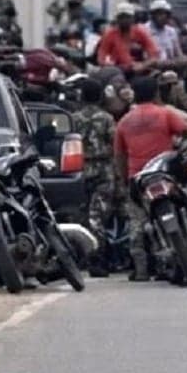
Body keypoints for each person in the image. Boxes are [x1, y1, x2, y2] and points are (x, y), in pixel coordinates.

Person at [115, 76, 187, 280]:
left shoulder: (124, 122)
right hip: (166, 173)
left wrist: (126, 180)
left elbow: (120, 156)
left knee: (138, 223)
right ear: (156, 94)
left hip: (139, 179)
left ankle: (141, 270)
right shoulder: (164, 114)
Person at [72, 78, 117, 277]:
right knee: (98, 216)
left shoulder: (73, 119)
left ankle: (85, 257)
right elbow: (115, 145)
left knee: (85, 215)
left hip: (79, 171)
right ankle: (98, 259)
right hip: (104, 170)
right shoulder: (107, 118)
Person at [97, 2, 160, 74]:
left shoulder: (140, 32)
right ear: (117, 19)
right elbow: (101, 58)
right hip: (117, 71)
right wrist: (109, 65)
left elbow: (154, 56)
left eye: (127, 17)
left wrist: (143, 65)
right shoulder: (109, 34)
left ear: (132, 18)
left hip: (138, 71)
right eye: (121, 17)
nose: (124, 20)